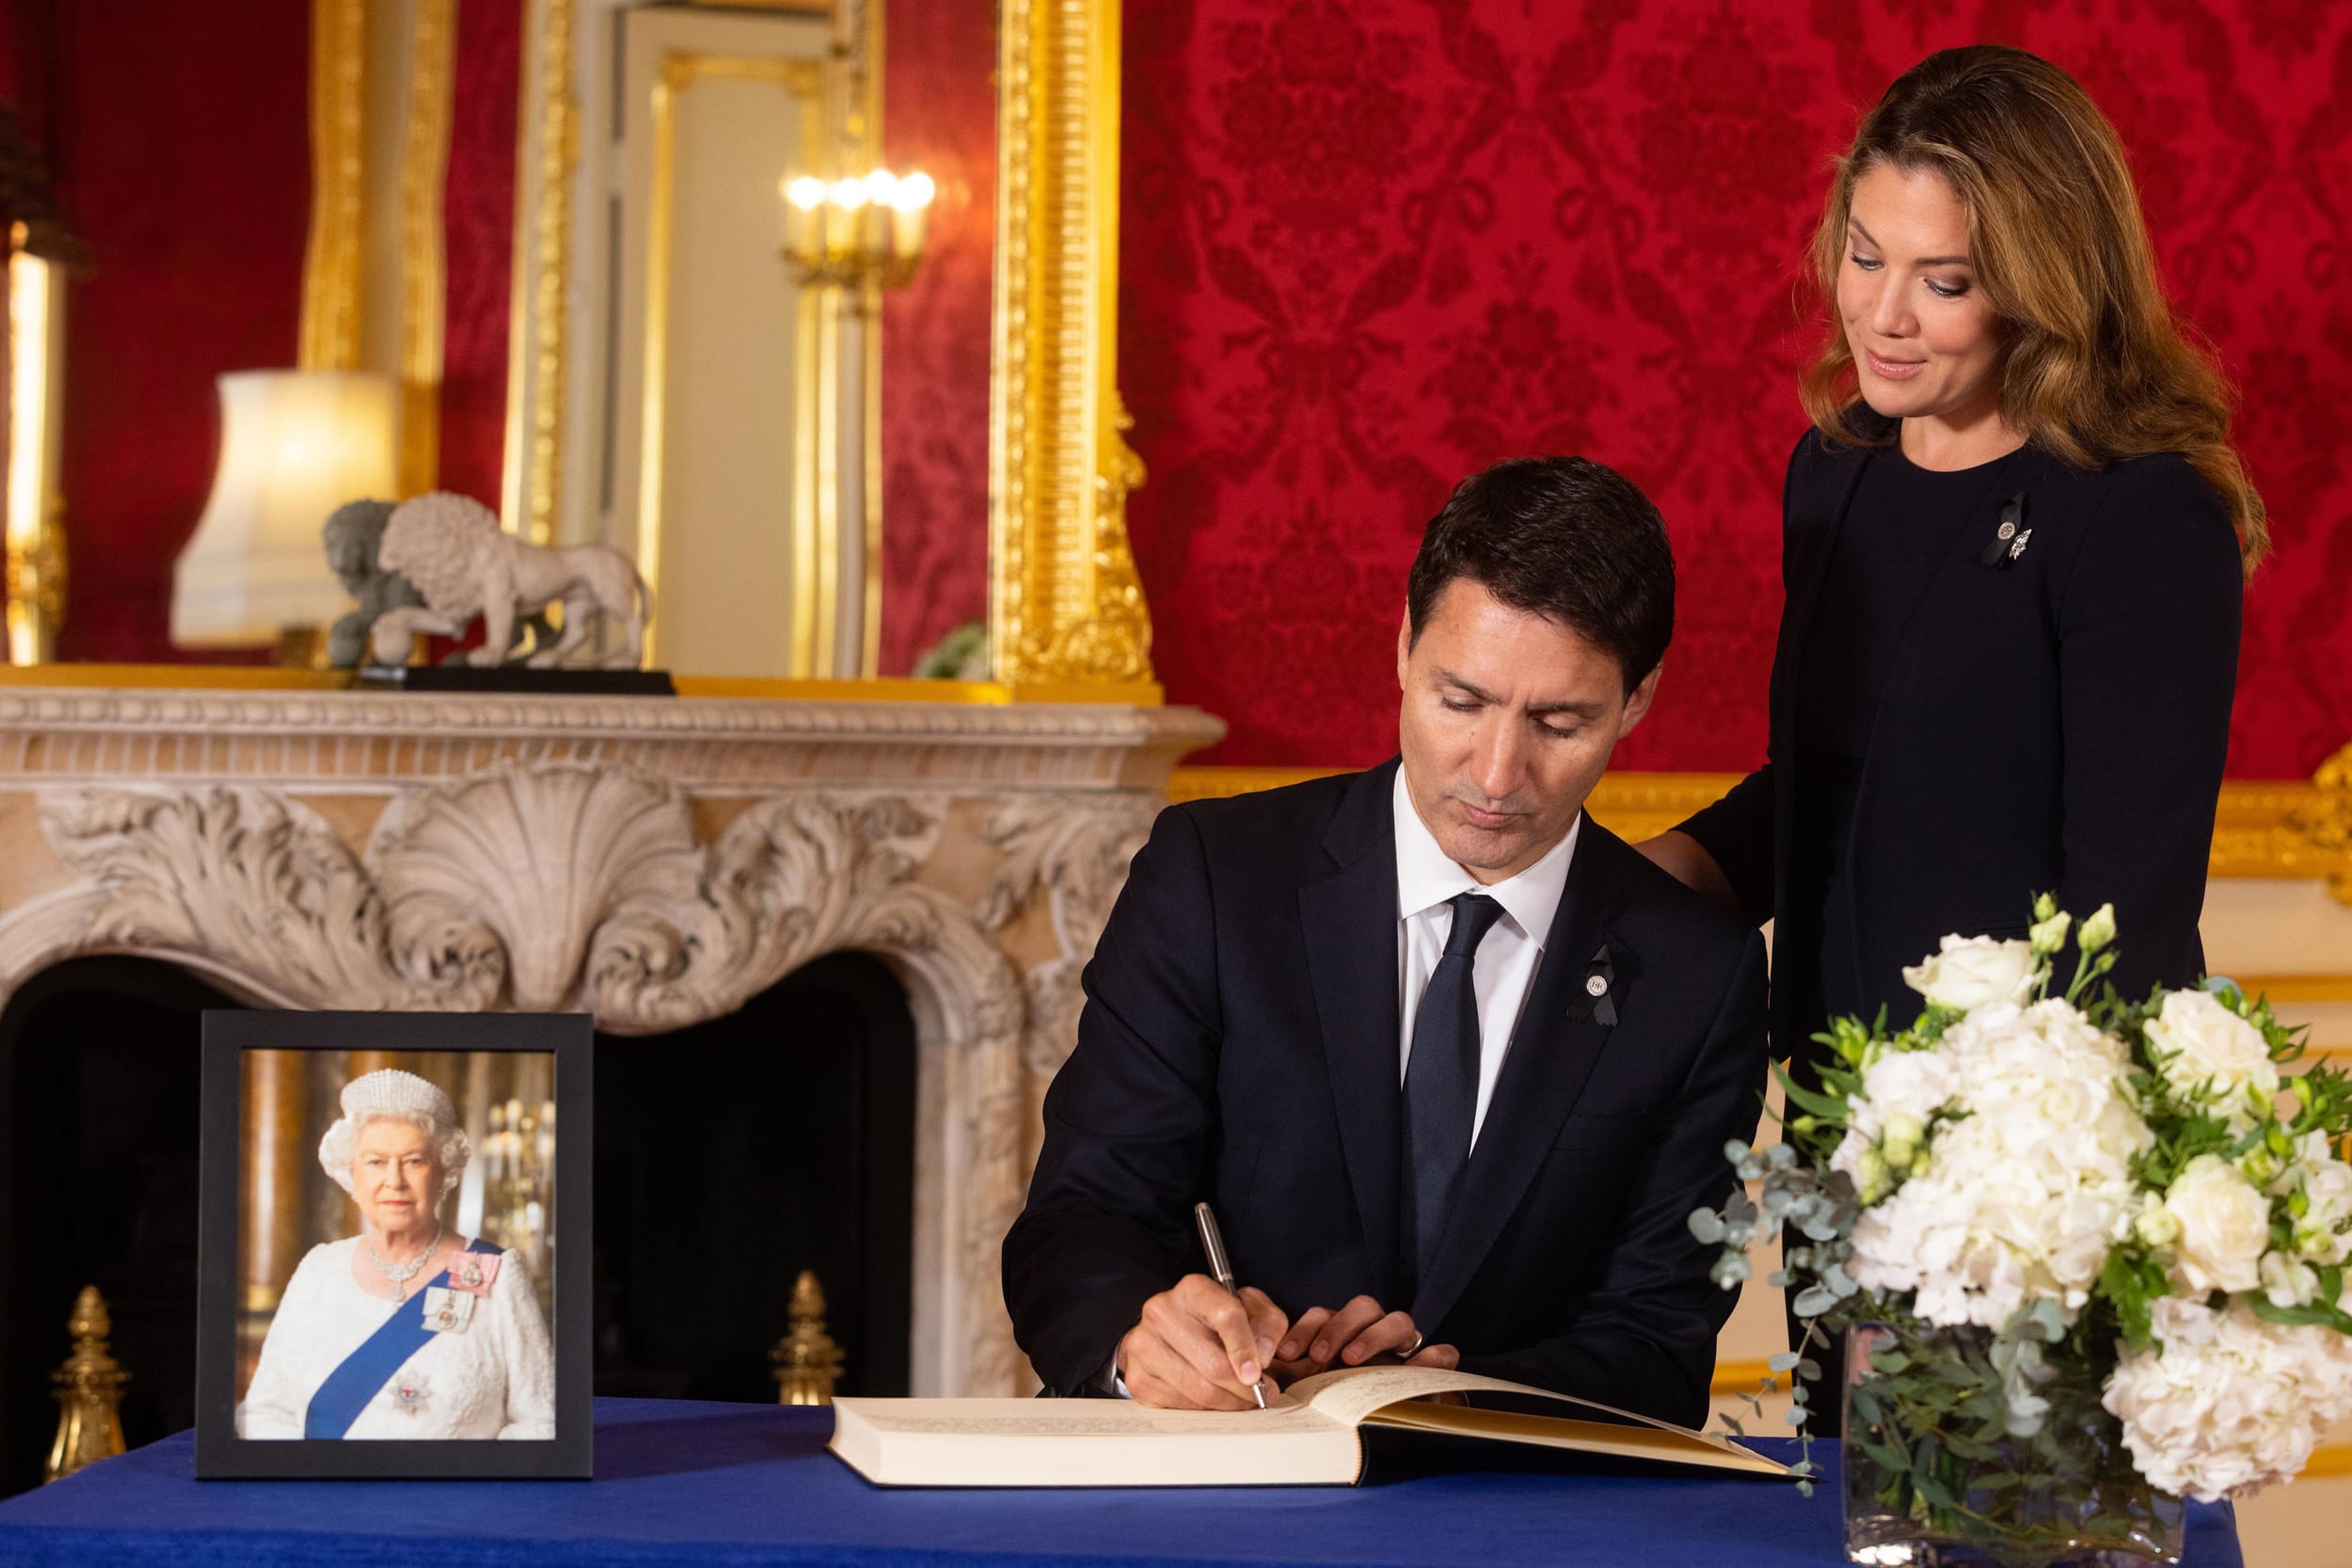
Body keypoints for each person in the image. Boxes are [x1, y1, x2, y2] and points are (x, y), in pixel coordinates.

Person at [1003, 456, 1768, 1429]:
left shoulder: (1699, 975)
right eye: (1460, 700)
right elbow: (1080, 1219)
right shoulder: (1212, 877)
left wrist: (1429, 1392)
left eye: (1559, 721)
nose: (1497, 771)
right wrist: (1134, 1338)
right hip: (1209, 1468)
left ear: (1637, 700)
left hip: (1504, 1513)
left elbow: (1656, 1345)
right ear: (1404, 647)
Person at [1644, 43, 2256, 1085]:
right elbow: (1843, 784)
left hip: (2028, 1142)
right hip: (1836, 1099)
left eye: (1945, 282)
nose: (1884, 315)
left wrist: (2005, 1153)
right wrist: (1658, 876)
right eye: (1866, 255)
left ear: (2040, 285)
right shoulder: (1836, 468)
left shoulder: (2139, 511)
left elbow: (2127, 920)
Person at [239, 1069, 554, 1440]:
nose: (395, 1180)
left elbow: (541, 1421)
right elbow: (265, 1411)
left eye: (414, 1161)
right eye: (375, 1162)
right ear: (351, 1174)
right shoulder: (318, 1270)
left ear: (444, 1172)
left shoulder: (493, 1273)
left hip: (454, 1496)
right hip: (328, 1495)